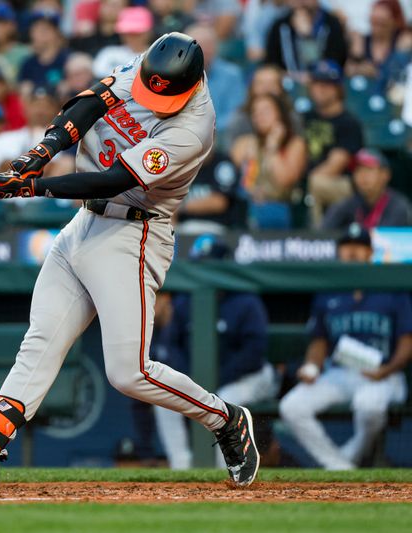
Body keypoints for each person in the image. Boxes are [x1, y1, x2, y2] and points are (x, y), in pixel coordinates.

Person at [0, 32, 260, 489]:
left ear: (192, 85)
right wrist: (42, 152)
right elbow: (92, 101)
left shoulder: (193, 128)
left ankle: (225, 419)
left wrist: (34, 187)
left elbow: (113, 180)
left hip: (133, 233)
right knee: (40, 340)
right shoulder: (151, 65)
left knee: (129, 373)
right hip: (83, 225)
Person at [279, 224, 412, 470]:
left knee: (368, 406)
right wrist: (312, 366)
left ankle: (348, 458)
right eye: (347, 247)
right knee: (291, 406)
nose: (352, 253)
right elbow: (319, 340)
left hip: (383, 375)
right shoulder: (329, 291)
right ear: (339, 252)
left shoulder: (391, 287)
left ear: (370, 254)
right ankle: (339, 466)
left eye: (359, 248)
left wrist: (388, 370)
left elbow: (407, 341)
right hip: (340, 372)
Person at [154, 236, 276, 470]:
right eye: (200, 265)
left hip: (247, 377)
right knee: (163, 398)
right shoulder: (184, 302)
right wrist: (192, 379)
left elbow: (254, 352)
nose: (204, 272)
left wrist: (214, 380)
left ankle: (228, 467)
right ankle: (181, 466)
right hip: (202, 380)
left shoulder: (245, 301)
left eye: (209, 265)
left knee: (226, 399)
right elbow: (171, 346)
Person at [230, 93, 307, 229]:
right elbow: (235, 177)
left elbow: (285, 180)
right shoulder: (246, 143)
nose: (259, 116)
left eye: (265, 111)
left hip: (281, 208)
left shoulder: (295, 144)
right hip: (249, 205)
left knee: (272, 212)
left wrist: (273, 147)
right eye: (255, 112)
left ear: (280, 114)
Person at [304, 60, 364, 226]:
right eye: (317, 83)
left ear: (338, 88)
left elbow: (335, 165)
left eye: (327, 83)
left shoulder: (348, 122)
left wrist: (307, 181)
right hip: (310, 180)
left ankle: (317, 238)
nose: (321, 88)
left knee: (315, 184)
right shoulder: (305, 117)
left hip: (342, 183)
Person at [322, 148, 412, 230]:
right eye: (358, 170)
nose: (363, 175)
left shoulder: (399, 207)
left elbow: (387, 241)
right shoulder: (347, 205)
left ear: (385, 175)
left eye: (368, 169)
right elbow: (323, 235)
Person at [264, 0, 348, 78]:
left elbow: (333, 68)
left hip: (322, 86)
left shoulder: (332, 24)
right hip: (286, 85)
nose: (301, 1)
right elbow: (271, 66)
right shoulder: (279, 25)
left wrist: (307, 38)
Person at [186, 23, 246, 133]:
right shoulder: (177, 74)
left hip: (219, 135)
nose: (206, 49)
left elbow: (235, 113)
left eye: (210, 44)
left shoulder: (232, 74)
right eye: (200, 45)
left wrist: (207, 128)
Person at [345, 0, 412, 92]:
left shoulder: (403, 41)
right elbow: (348, 70)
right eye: (373, 21)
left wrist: (376, 72)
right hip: (365, 93)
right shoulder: (362, 41)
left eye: (382, 23)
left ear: (394, 22)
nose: (376, 27)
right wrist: (357, 58)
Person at [174, 150, 244, 232]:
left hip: (216, 225)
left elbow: (220, 203)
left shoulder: (223, 163)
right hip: (184, 225)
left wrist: (182, 207)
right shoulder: (182, 165)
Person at [92, 6, 154, 80]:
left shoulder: (155, 56)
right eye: (127, 33)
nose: (131, 37)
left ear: (148, 33)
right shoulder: (108, 53)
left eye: (136, 33)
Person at [17, 9, 69, 95]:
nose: (40, 34)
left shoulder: (67, 60)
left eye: (45, 29)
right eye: (36, 29)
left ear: (56, 32)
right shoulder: (28, 64)